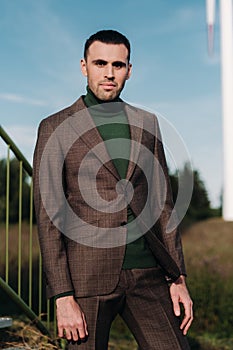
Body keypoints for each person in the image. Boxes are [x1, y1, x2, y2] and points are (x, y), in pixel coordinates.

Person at [33, 29, 193, 350]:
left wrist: (178, 278)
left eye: (118, 65)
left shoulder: (147, 123)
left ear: (129, 70)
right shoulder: (55, 127)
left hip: (148, 272)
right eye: (100, 63)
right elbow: (50, 218)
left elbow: (163, 206)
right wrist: (63, 296)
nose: (109, 73)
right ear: (84, 66)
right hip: (86, 280)